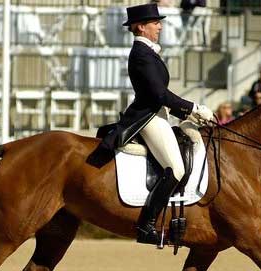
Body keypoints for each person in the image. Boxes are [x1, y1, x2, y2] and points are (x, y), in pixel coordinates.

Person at [101, 3, 214, 245]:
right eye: (155, 23)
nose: (160, 26)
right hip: (148, 117)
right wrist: (192, 108)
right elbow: (158, 95)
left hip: (157, 113)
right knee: (176, 169)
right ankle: (146, 226)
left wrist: (188, 116)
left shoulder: (149, 52)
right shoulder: (142, 55)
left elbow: (161, 95)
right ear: (141, 27)